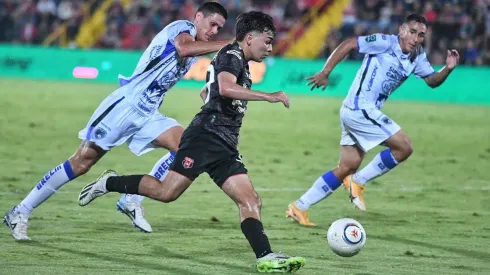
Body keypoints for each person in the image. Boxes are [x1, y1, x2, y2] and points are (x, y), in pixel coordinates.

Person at [77, 11, 306, 273]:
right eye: (266, 41)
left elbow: (207, 90)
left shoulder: (238, 60)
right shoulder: (232, 55)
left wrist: (215, 104)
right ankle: (109, 182)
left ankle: (266, 256)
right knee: (167, 193)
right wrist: (268, 96)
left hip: (225, 144)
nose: (269, 47)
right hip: (205, 138)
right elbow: (225, 88)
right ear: (250, 38)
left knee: (250, 200)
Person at [3, 2, 231, 240]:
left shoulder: (198, 49)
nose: (215, 30)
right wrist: (228, 44)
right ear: (198, 17)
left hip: (149, 113)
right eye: (212, 24)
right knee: (81, 163)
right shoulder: (182, 28)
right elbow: (183, 48)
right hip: (125, 106)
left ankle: (131, 199)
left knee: (187, 147)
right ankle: (19, 212)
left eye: (219, 28)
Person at [286, 14, 460, 226]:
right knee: (404, 148)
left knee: (347, 166)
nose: (416, 38)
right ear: (402, 30)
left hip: (356, 112)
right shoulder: (385, 42)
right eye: (412, 32)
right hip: (360, 108)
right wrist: (325, 71)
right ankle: (357, 182)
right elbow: (350, 43)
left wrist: (448, 68)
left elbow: (432, 81)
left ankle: (299, 206)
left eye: (421, 35)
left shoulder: (417, 56)